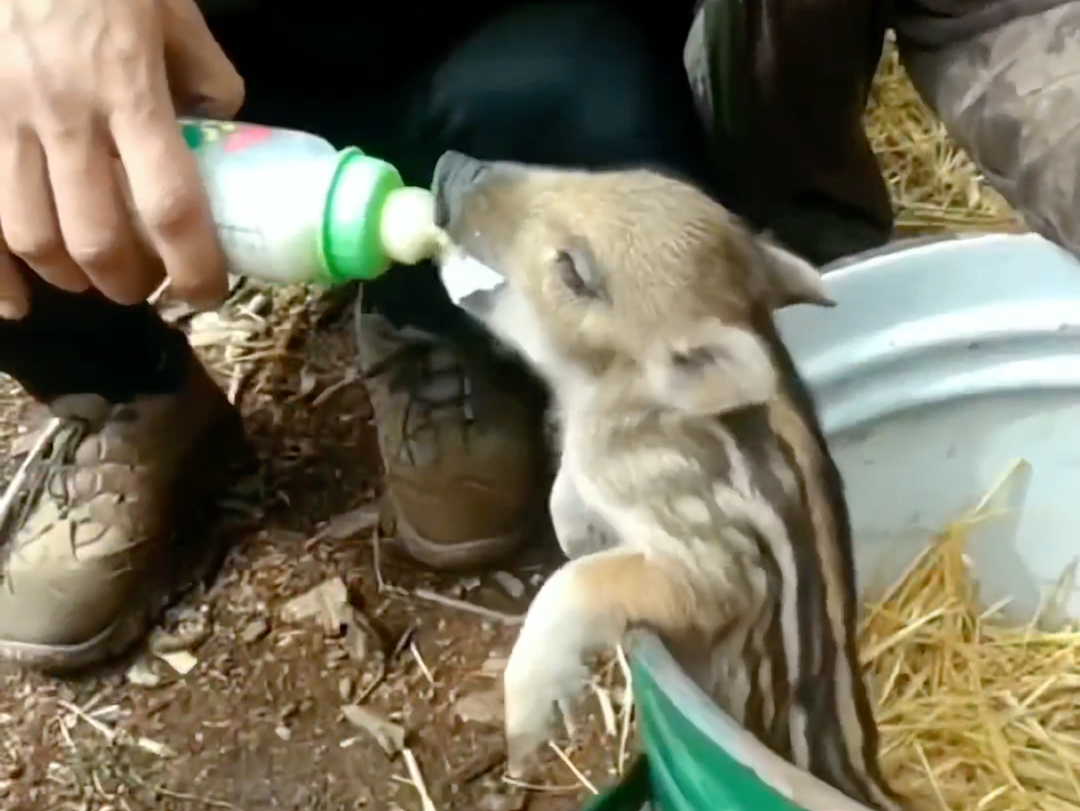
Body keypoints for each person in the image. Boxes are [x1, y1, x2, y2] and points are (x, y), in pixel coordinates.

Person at [0, 0, 1074, 673]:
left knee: (595, 125)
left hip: (516, 43)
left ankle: (440, 329)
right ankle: (121, 387)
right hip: (196, 42)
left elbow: (997, 13)